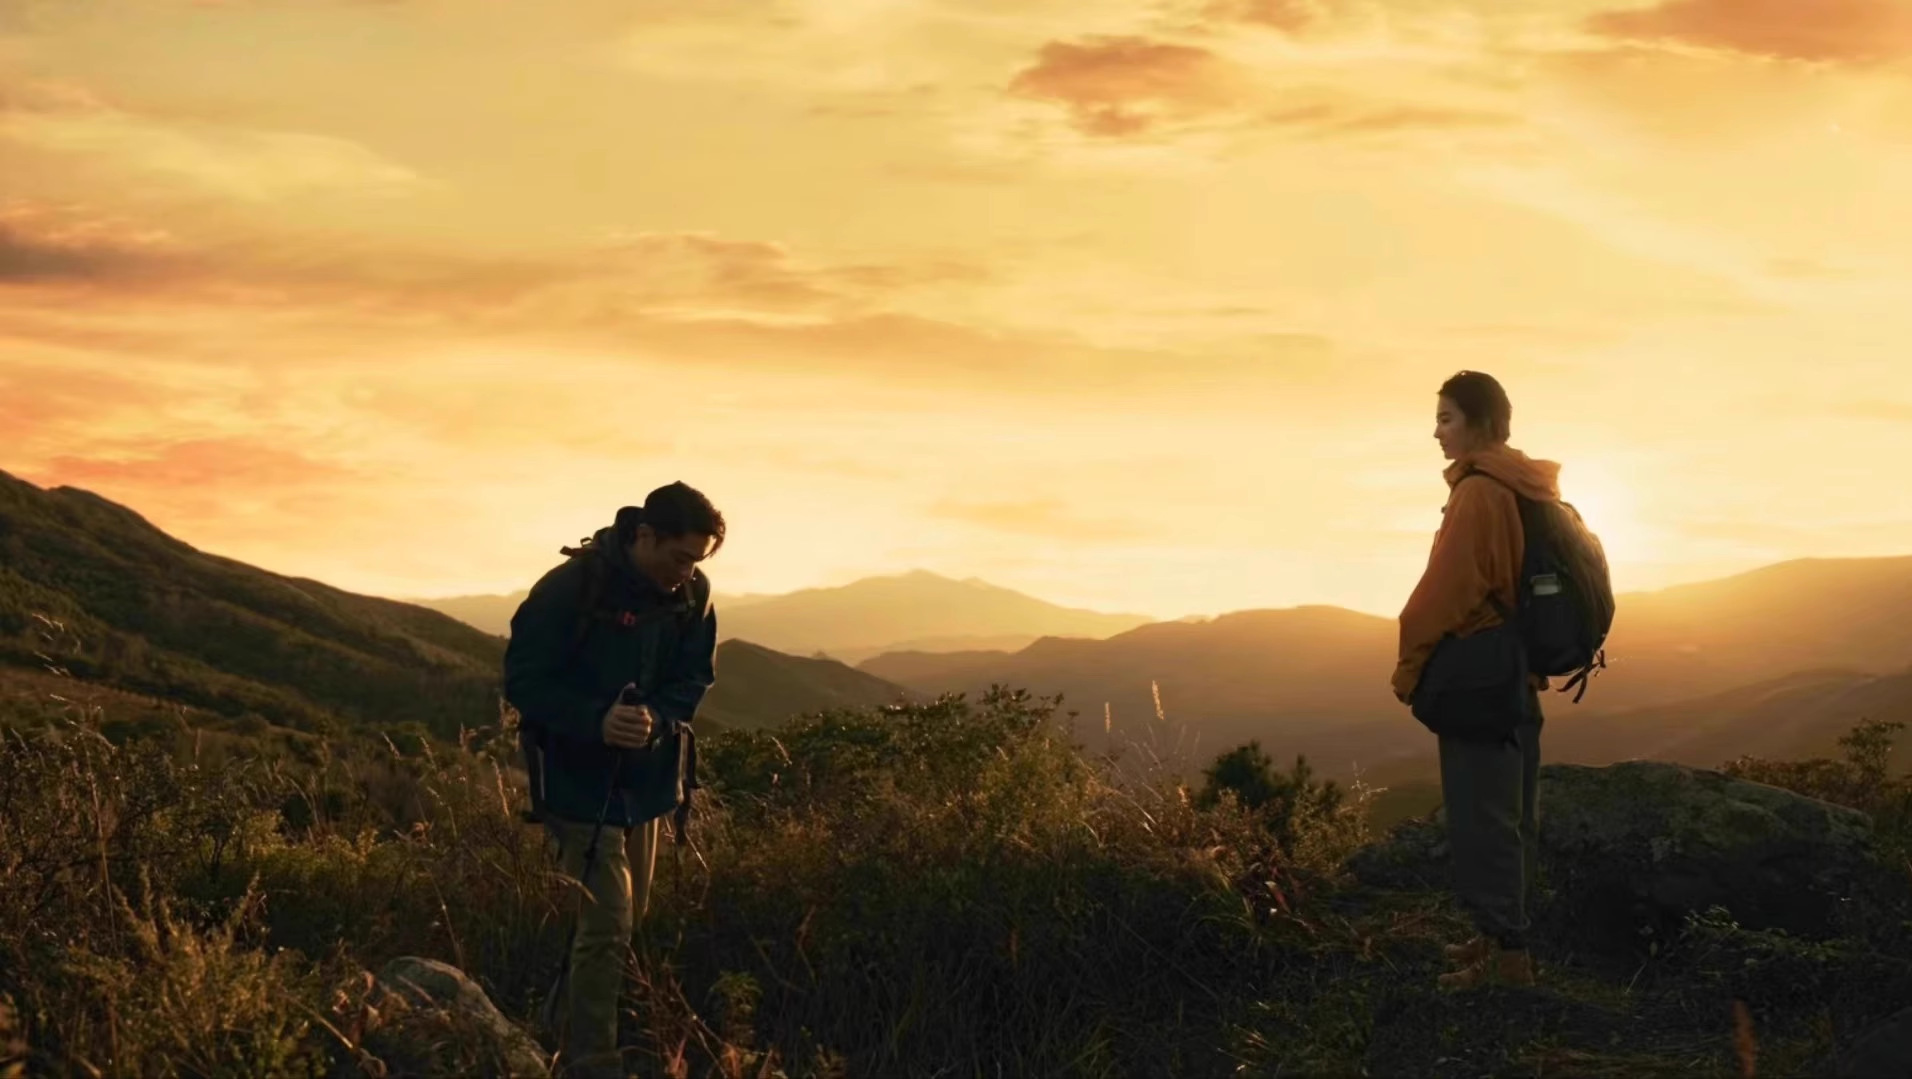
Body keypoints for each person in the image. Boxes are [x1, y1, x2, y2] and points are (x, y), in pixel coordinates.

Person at [503, 481, 724, 1078]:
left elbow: (693, 678)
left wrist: (656, 721)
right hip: (575, 784)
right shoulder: (568, 590)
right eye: (679, 557)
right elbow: (523, 682)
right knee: (607, 926)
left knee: (626, 922)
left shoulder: (693, 593)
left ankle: (549, 1034)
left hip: (646, 785)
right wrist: (596, 721)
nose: (687, 572)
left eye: (697, 560)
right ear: (644, 535)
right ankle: (591, 1062)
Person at [1392, 370, 1560, 991]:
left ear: (1480, 423)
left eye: (1446, 419)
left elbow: (1445, 593)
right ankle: (1497, 938)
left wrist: (1410, 667)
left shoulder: (1479, 492)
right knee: (1514, 815)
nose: (1437, 433)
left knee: (1482, 818)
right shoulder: (1526, 485)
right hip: (1518, 670)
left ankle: (1507, 961)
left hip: (1480, 674)